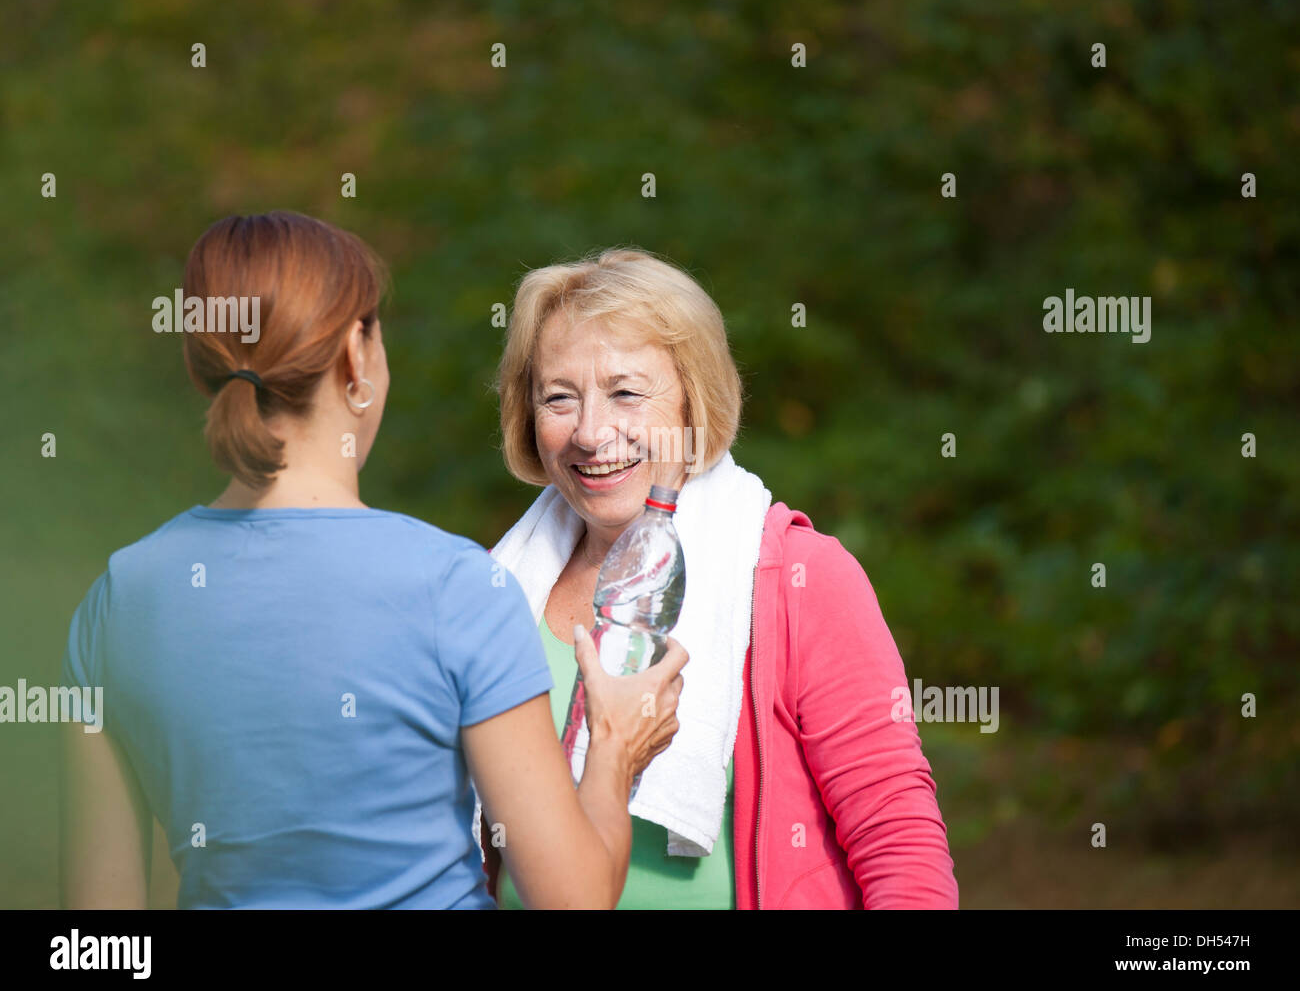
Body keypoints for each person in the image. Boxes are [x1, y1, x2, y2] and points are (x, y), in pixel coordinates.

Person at [59, 212, 687, 909]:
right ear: (358, 357)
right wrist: (614, 744)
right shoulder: (455, 588)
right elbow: (572, 900)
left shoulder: (117, 600)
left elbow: (97, 929)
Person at [482, 248, 960, 908]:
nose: (591, 433)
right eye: (559, 398)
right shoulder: (493, 590)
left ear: (692, 401)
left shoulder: (798, 577)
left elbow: (898, 842)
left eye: (626, 391)